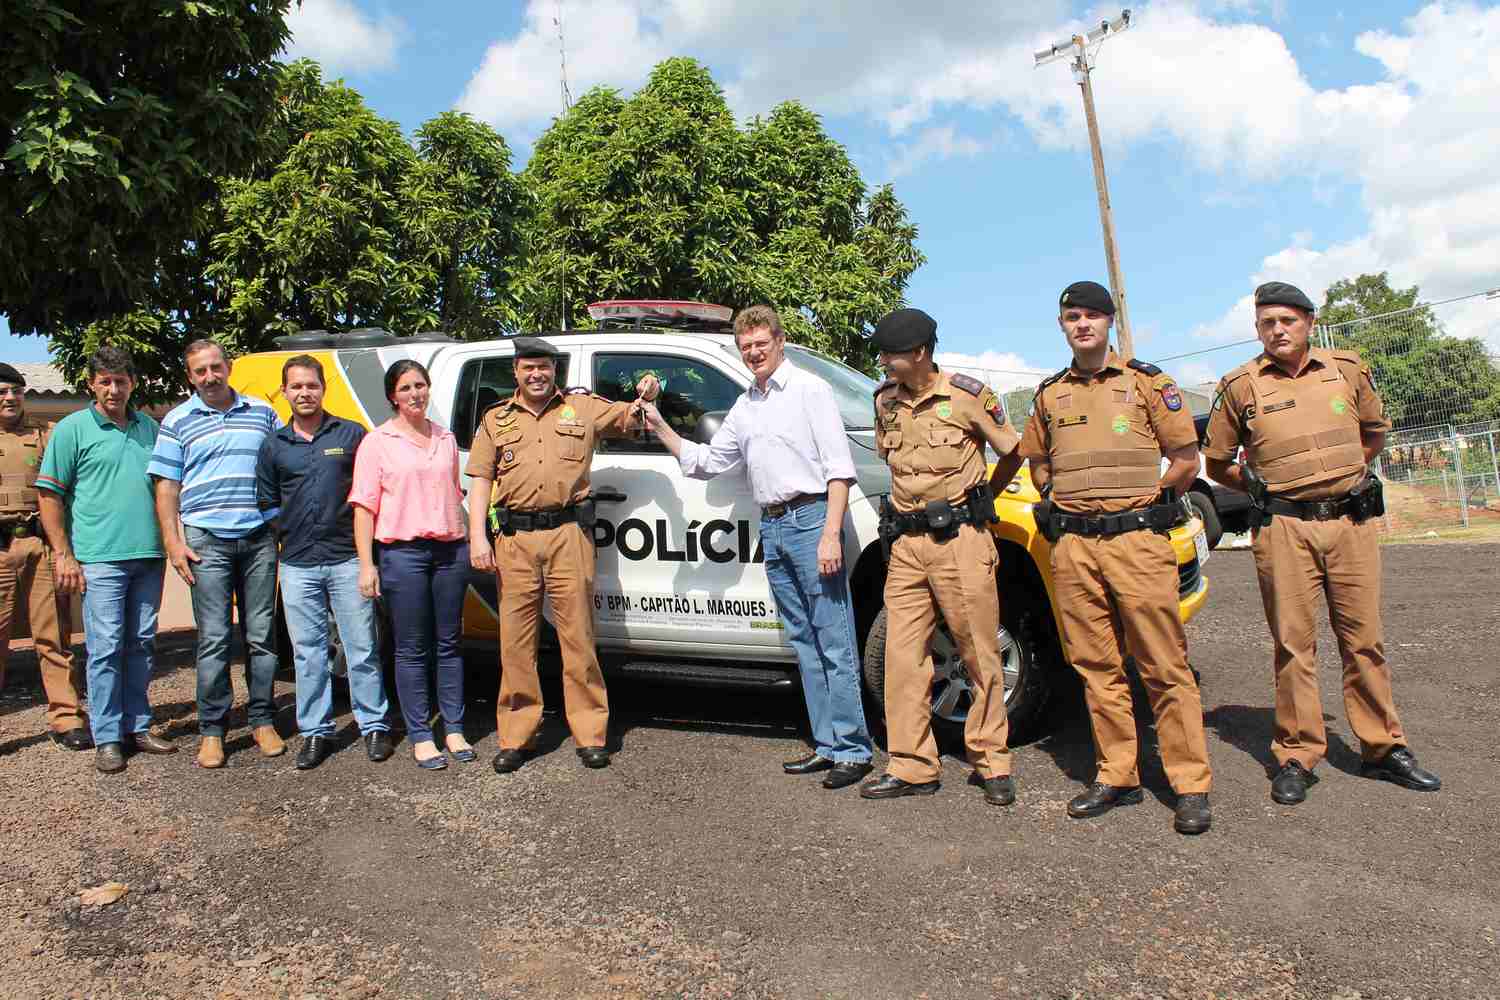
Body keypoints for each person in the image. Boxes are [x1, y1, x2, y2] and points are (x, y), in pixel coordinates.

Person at [1203, 280, 1440, 805]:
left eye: (1287, 320)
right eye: (1267, 322)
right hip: (1284, 528)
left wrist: (1344, 477)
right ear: (1257, 330)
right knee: (1293, 645)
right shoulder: (1240, 386)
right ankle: (1296, 753)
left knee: (1363, 640)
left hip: (1350, 526)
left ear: (1309, 322)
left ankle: (1383, 748)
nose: (1277, 330)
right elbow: (1217, 463)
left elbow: (1373, 435)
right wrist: (1260, 488)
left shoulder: (1347, 370)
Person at [636, 306, 875, 788]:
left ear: (780, 341)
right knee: (804, 642)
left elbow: (839, 469)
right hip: (775, 526)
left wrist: (831, 533)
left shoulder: (811, 390)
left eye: (761, 344)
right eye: (746, 347)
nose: (754, 353)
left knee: (834, 637)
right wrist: (658, 423)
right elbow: (705, 461)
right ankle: (827, 746)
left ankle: (854, 749)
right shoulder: (746, 405)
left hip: (811, 523)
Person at [1017, 281, 1213, 835]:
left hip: (1137, 543)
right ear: (1062, 326)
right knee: (1096, 665)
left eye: (1091, 316)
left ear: (1109, 323)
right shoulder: (1050, 394)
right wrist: (1054, 494)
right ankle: (1117, 775)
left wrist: (1151, 502)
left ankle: (1190, 783)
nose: (1082, 324)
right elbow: (1037, 463)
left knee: (1162, 664)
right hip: (1074, 548)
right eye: (1072, 317)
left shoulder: (1147, 384)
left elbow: (1184, 458)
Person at [465, 337, 657, 774]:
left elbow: (634, 415)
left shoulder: (582, 409)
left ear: (556, 370)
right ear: (516, 371)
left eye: (545, 367)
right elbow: (480, 480)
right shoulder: (496, 419)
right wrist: (478, 538)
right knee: (515, 644)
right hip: (513, 541)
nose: (537, 374)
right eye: (528, 367)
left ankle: (590, 734)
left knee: (578, 639)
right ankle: (515, 736)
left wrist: (652, 387)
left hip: (569, 534)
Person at [861, 308, 1022, 805]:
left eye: (891, 354)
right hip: (906, 545)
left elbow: (1012, 452)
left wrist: (982, 501)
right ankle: (912, 766)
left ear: (921, 353)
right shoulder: (884, 400)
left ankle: (992, 761)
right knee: (903, 657)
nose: (884, 362)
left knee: (979, 652)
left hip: (960, 540)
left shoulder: (968, 397)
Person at [35, 346, 176, 773]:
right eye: (105, 382)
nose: (114, 389)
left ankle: (138, 725)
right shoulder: (72, 430)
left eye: (121, 381)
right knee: (105, 647)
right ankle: (108, 736)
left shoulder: (149, 428)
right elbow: (49, 495)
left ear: (133, 383)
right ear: (91, 385)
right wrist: (64, 554)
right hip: (100, 558)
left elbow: (165, 488)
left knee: (141, 644)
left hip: (148, 554)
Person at [149, 339, 283, 769]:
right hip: (206, 541)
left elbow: (283, 468)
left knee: (262, 636)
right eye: (199, 371)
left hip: (259, 537)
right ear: (190, 377)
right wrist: (173, 541)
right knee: (213, 639)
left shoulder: (263, 413)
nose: (209, 376)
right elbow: (166, 487)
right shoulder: (177, 420)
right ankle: (213, 730)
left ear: (227, 368)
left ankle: (262, 719)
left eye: (215, 367)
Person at [256, 355, 393, 771]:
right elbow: (265, 502)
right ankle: (316, 732)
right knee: (308, 654)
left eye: (311, 385)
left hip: (347, 560)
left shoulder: (351, 435)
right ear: (285, 391)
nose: (304, 393)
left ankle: (374, 725)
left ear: (323, 388)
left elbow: (374, 492)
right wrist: (289, 530)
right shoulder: (274, 445)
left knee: (362, 648)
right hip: (297, 565)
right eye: (296, 386)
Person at [350, 360, 471, 771]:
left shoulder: (446, 438)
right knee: (411, 649)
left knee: (450, 645)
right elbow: (364, 509)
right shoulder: (377, 442)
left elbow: (454, 494)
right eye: (405, 388)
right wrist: (367, 565)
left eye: (420, 385)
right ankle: (421, 734)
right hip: (403, 555)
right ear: (392, 396)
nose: (414, 394)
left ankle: (453, 728)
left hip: (450, 552)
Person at [0, 363, 91, 750]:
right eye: (2, 392)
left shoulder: (44, 436)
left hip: (39, 545)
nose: (9, 398)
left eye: (15, 392)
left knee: (52, 637)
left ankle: (67, 718)